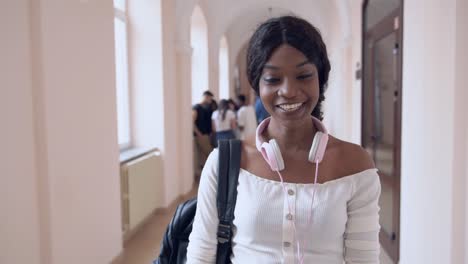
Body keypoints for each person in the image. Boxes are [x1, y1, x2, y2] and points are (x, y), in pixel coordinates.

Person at [187, 16, 381, 263]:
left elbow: (363, 259)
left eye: (303, 76)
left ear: (320, 79)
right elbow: (201, 254)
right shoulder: (226, 162)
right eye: (273, 79)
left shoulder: (355, 164)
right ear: (257, 85)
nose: (288, 90)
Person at [192, 90, 215, 179]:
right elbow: (192, 121)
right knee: (210, 154)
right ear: (206, 96)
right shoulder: (196, 107)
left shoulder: (205, 108)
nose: (210, 101)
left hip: (205, 134)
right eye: (210, 98)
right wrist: (199, 133)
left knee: (204, 156)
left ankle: (205, 177)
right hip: (201, 135)